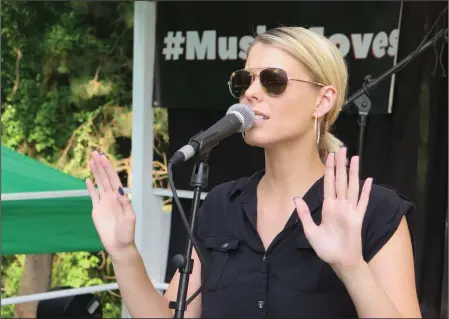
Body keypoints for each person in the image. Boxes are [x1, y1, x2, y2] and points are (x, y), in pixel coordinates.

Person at [86, 26, 422, 318]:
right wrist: (123, 251)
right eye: (244, 80)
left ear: (323, 101)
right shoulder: (219, 205)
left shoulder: (374, 209)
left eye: (273, 81)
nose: (251, 92)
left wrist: (352, 269)